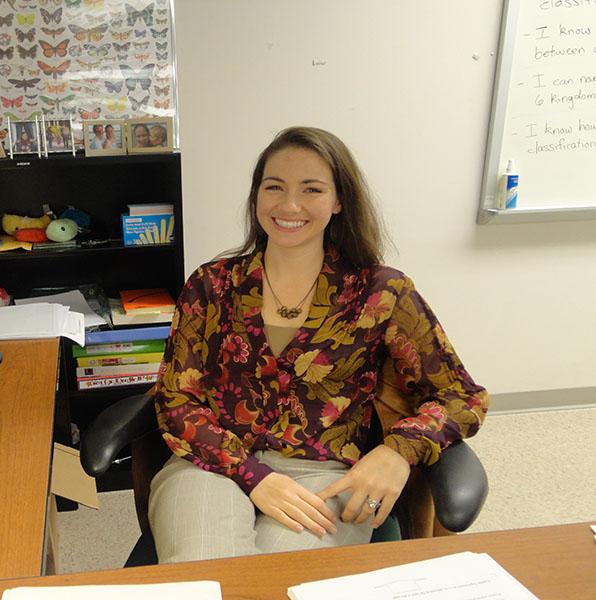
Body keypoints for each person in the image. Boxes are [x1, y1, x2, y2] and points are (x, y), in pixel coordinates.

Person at [149, 126, 488, 564]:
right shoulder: (212, 285)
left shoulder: (381, 292)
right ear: (257, 196)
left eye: (311, 189)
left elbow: (461, 396)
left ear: (339, 200)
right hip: (212, 464)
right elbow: (176, 398)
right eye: (275, 187)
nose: (289, 206)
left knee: (280, 582)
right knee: (205, 574)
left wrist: (397, 451)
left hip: (325, 475)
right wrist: (253, 475)